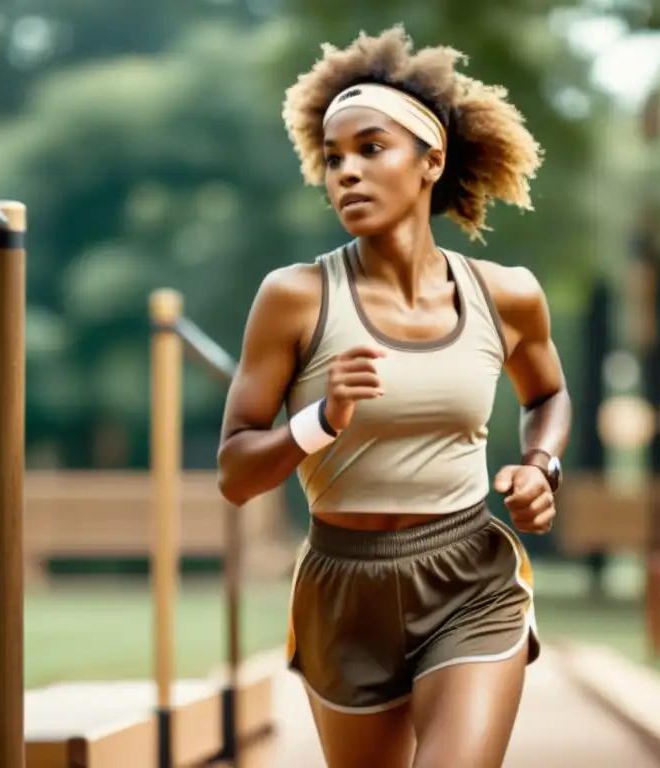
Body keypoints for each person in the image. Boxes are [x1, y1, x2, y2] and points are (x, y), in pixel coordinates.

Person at [216, 25, 571, 768]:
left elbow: (549, 392)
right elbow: (236, 472)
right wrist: (320, 420)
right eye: (334, 158)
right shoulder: (295, 298)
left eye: (371, 149)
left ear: (430, 161)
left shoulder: (505, 295)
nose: (346, 172)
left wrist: (540, 465)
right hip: (342, 590)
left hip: (469, 574)